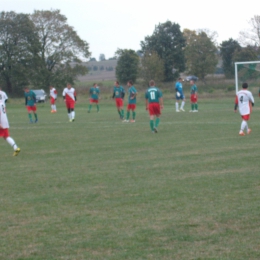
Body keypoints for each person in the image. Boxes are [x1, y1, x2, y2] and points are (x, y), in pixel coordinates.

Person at [0, 88, 20, 156]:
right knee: (6, 136)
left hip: (1, 122)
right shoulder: (2, 103)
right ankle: (16, 148)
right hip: (4, 121)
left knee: (6, 136)